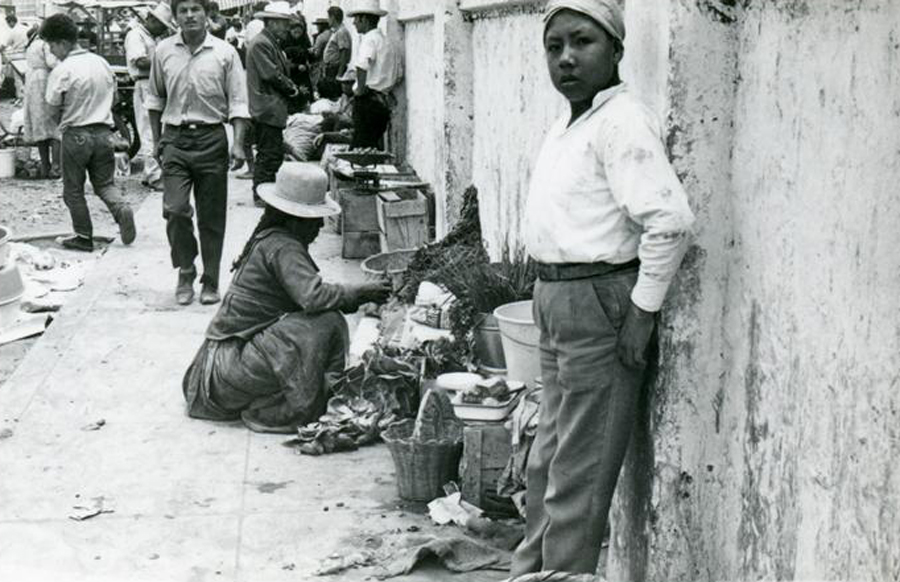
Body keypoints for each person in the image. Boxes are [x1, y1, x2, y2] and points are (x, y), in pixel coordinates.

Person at [510, 0, 696, 576]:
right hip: (557, 299)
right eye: (554, 46)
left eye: (582, 42)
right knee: (546, 459)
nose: (566, 58)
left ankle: (561, 573)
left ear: (616, 49)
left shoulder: (621, 120)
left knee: (579, 475)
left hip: (599, 303)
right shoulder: (571, 123)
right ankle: (530, 572)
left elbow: (669, 221)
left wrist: (641, 315)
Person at [182, 162, 391, 433]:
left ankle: (298, 394)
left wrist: (354, 294)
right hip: (227, 370)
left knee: (316, 321)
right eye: (314, 218)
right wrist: (360, 292)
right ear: (295, 218)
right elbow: (313, 297)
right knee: (325, 323)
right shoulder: (283, 247)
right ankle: (292, 408)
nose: (318, 227)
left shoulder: (272, 239)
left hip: (220, 368)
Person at [147, 0, 250, 306]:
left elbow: (238, 102)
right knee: (175, 210)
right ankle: (186, 268)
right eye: (183, 10)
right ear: (175, 17)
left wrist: (239, 143)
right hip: (175, 140)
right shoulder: (163, 51)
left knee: (211, 216)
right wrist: (156, 141)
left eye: (195, 9)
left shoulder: (225, 52)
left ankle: (211, 280)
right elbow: (155, 99)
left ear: (207, 14)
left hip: (211, 140)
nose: (189, 15)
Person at [41, 14, 137, 252]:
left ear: (62, 42)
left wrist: (61, 124)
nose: (52, 51)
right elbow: (113, 97)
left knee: (73, 190)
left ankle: (83, 236)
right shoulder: (101, 62)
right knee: (104, 184)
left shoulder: (62, 69)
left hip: (76, 134)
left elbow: (51, 108)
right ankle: (121, 208)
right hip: (104, 133)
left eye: (52, 45)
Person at [245, 1, 298, 202]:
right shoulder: (261, 43)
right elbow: (271, 74)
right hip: (267, 107)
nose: (287, 27)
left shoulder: (268, 42)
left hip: (270, 107)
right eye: (284, 23)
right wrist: (291, 88)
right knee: (269, 153)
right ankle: (261, 194)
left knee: (272, 151)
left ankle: (264, 191)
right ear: (273, 23)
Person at [124, 2, 175, 190]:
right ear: (151, 19)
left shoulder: (153, 38)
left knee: (157, 129)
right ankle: (154, 176)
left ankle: (151, 172)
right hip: (145, 83)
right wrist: (165, 59)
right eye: (161, 25)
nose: (162, 29)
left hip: (155, 83)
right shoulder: (135, 35)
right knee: (148, 130)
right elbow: (140, 61)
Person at [348, 0, 400, 149]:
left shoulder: (369, 39)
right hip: (382, 101)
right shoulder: (387, 41)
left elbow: (362, 65)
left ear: (364, 19)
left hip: (368, 101)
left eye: (356, 19)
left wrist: (360, 90)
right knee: (373, 146)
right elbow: (398, 74)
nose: (354, 23)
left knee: (361, 148)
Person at [22, 35, 60, 179]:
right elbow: (52, 62)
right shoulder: (46, 45)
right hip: (44, 80)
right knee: (53, 124)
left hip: (31, 81)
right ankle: (56, 167)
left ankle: (45, 166)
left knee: (39, 123)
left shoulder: (32, 44)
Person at [321, 6, 350, 81]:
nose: (328, 20)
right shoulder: (336, 32)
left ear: (333, 17)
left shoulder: (341, 32)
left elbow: (344, 52)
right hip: (331, 68)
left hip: (335, 69)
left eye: (329, 17)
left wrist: (339, 74)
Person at [309, 15, 330, 88]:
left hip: (321, 64)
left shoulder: (321, 37)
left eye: (318, 26)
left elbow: (316, 54)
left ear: (322, 26)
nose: (317, 28)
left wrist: (311, 51)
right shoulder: (333, 34)